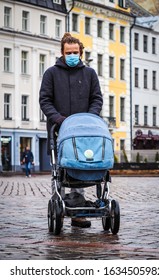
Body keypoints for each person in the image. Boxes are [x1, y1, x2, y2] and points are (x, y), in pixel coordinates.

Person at [39, 33, 103, 228]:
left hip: (84, 131)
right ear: (62, 52)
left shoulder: (90, 74)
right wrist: (58, 119)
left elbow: (97, 99)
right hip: (59, 130)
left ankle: (78, 214)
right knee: (60, 170)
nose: (72, 55)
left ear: (80, 52)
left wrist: (88, 118)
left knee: (79, 167)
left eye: (75, 52)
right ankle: (58, 205)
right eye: (69, 52)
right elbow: (45, 100)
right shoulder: (51, 73)